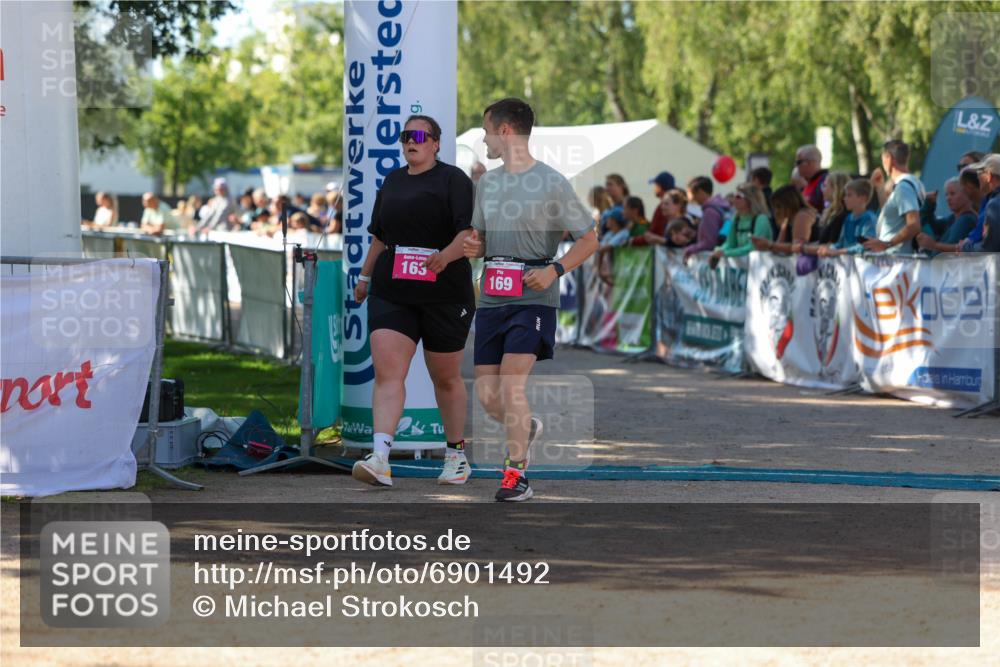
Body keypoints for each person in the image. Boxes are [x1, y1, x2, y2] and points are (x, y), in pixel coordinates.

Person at [462, 97, 598, 502]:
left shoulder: (552, 182)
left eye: (486, 130)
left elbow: (589, 240)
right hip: (491, 298)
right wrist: (474, 246)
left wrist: (554, 269)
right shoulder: (487, 182)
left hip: (533, 296)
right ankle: (525, 427)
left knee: (510, 384)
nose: (484, 138)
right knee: (488, 397)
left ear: (505, 131)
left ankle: (516, 475)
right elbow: (480, 238)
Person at [351, 114, 477, 488]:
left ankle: (455, 455)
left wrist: (445, 257)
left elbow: (467, 232)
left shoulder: (453, 179)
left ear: (436, 143)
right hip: (393, 289)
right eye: (405, 135)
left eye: (420, 135)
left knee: (446, 377)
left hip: (444, 290)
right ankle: (380, 457)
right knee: (389, 372)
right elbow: (379, 236)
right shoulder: (392, 180)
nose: (411, 140)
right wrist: (365, 275)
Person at [864, 140, 924, 254]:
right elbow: (892, 217)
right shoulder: (911, 183)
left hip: (898, 261)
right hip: (896, 261)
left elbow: (914, 225)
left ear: (889, 158)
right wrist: (880, 188)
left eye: (883, 159)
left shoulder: (903, 187)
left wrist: (887, 244)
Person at [709, 183, 772, 264]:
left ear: (751, 199)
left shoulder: (761, 219)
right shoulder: (736, 219)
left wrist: (726, 253)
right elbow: (730, 243)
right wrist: (719, 250)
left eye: (738, 196)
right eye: (734, 196)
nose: (734, 199)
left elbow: (754, 247)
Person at [915, 177, 979, 255]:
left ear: (967, 194)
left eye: (952, 194)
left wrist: (932, 245)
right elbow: (928, 223)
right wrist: (929, 204)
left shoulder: (967, 220)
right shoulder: (953, 218)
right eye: (946, 195)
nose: (948, 198)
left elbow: (947, 251)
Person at [752, 184, 817, 254]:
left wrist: (770, 245)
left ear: (790, 203)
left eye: (779, 206)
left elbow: (798, 247)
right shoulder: (787, 220)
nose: (776, 211)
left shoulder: (802, 216)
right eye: (774, 207)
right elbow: (778, 246)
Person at [819, 178, 876, 256]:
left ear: (863, 198)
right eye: (845, 195)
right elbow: (841, 243)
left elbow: (866, 246)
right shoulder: (848, 218)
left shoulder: (869, 218)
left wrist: (839, 252)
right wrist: (829, 249)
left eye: (849, 195)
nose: (844, 198)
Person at [959, 154, 1000, 252]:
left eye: (980, 171)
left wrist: (965, 247)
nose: (977, 176)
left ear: (989, 176)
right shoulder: (991, 201)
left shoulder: (994, 205)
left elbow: (988, 249)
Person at [683, 176, 730, 261]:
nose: (691, 198)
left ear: (700, 191)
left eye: (692, 193)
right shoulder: (716, 208)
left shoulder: (710, 212)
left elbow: (709, 242)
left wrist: (690, 249)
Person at [795, 144, 828, 212]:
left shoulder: (825, 182)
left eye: (798, 162)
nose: (796, 166)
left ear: (809, 162)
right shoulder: (807, 184)